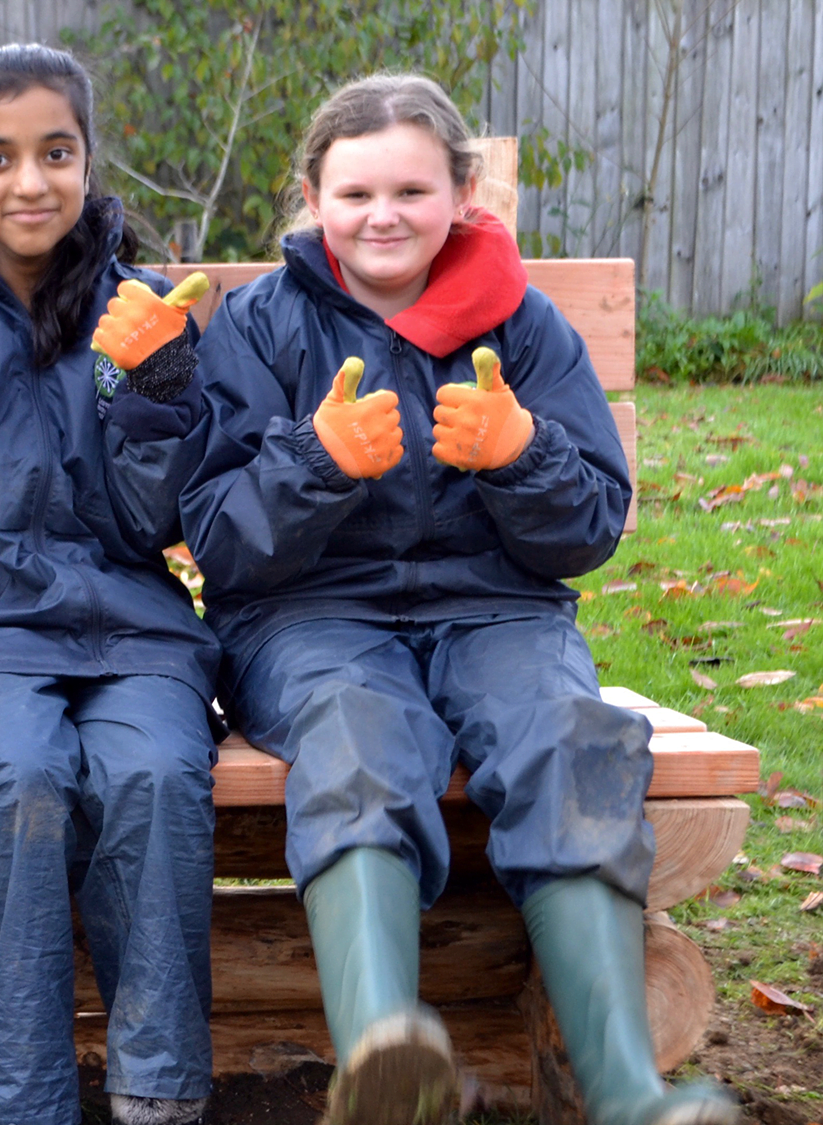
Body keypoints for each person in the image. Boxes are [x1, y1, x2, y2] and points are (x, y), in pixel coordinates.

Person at [181, 73, 738, 1125]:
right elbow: (218, 540)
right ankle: (384, 1063)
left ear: (460, 192)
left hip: (499, 612)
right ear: (310, 197)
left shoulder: (520, 326)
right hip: (309, 618)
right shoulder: (257, 326)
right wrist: (311, 462)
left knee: (569, 735)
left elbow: (582, 531)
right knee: (356, 735)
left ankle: (625, 1088)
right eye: (352, 194)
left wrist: (519, 454)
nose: (380, 215)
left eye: (408, 189)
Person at [0, 43, 221, 1125]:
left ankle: (158, 1095)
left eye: (54, 153)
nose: (29, 183)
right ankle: (19, 1103)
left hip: (130, 628)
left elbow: (152, 524)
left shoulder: (141, 312)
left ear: (86, 159)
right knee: (12, 779)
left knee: (154, 777)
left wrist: (156, 395)